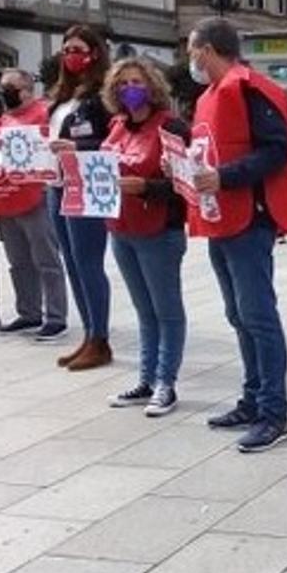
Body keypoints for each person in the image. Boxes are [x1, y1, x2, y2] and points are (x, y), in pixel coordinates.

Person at [187, 18, 287, 452]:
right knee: (239, 315)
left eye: (191, 50)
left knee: (257, 316)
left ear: (206, 49)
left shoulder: (250, 87)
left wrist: (225, 176)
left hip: (248, 218)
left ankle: (274, 413)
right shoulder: (209, 95)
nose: (190, 59)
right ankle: (254, 399)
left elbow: (277, 150)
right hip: (222, 216)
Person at [99, 57, 189, 418]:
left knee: (167, 311)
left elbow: (184, 184)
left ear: (151, 86)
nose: (129, 89)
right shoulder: (117, 126)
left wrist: (146, 187)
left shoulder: (171, 127)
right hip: (122, 229)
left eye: (136, 82)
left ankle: (166, 382)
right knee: (144, 311)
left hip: (159, 231)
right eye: (122, 83)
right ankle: (147, 380)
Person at [48, 25, 114, 369]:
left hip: (86, 184)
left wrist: (78, 146)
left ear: (94, 53)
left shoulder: (103, 96)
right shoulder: (62, 97)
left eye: (78, 50)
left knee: (88, 262)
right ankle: (89, 333)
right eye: (66, 50)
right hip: (58, 184)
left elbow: (114, 140)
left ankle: (100, 338)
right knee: (72, 262)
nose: (71, 56)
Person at [0, 69, 67, 339]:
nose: (4, 92)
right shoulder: (4, 119)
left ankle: (56, 316)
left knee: (47, 260)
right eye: (2, 87)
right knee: (18, 261)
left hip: (37, 197)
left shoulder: (44, 114)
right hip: (8, 197)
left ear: (27, 90)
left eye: (10, 88)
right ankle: (29, 312)